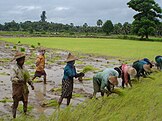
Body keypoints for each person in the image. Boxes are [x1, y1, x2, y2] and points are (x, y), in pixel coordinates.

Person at [10, 52, 34, 118]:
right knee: (16, 103)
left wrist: (31, 84)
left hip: (24, 87)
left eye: (24, 59)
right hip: (17, 88)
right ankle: (14, 116)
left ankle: (25, 113)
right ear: (17, 60)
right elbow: (12, 78)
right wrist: (19, 80)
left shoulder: (24, 68)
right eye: (21, 60)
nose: (23, 61)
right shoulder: (14, 68)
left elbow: (28, 77)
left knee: (25, 101)